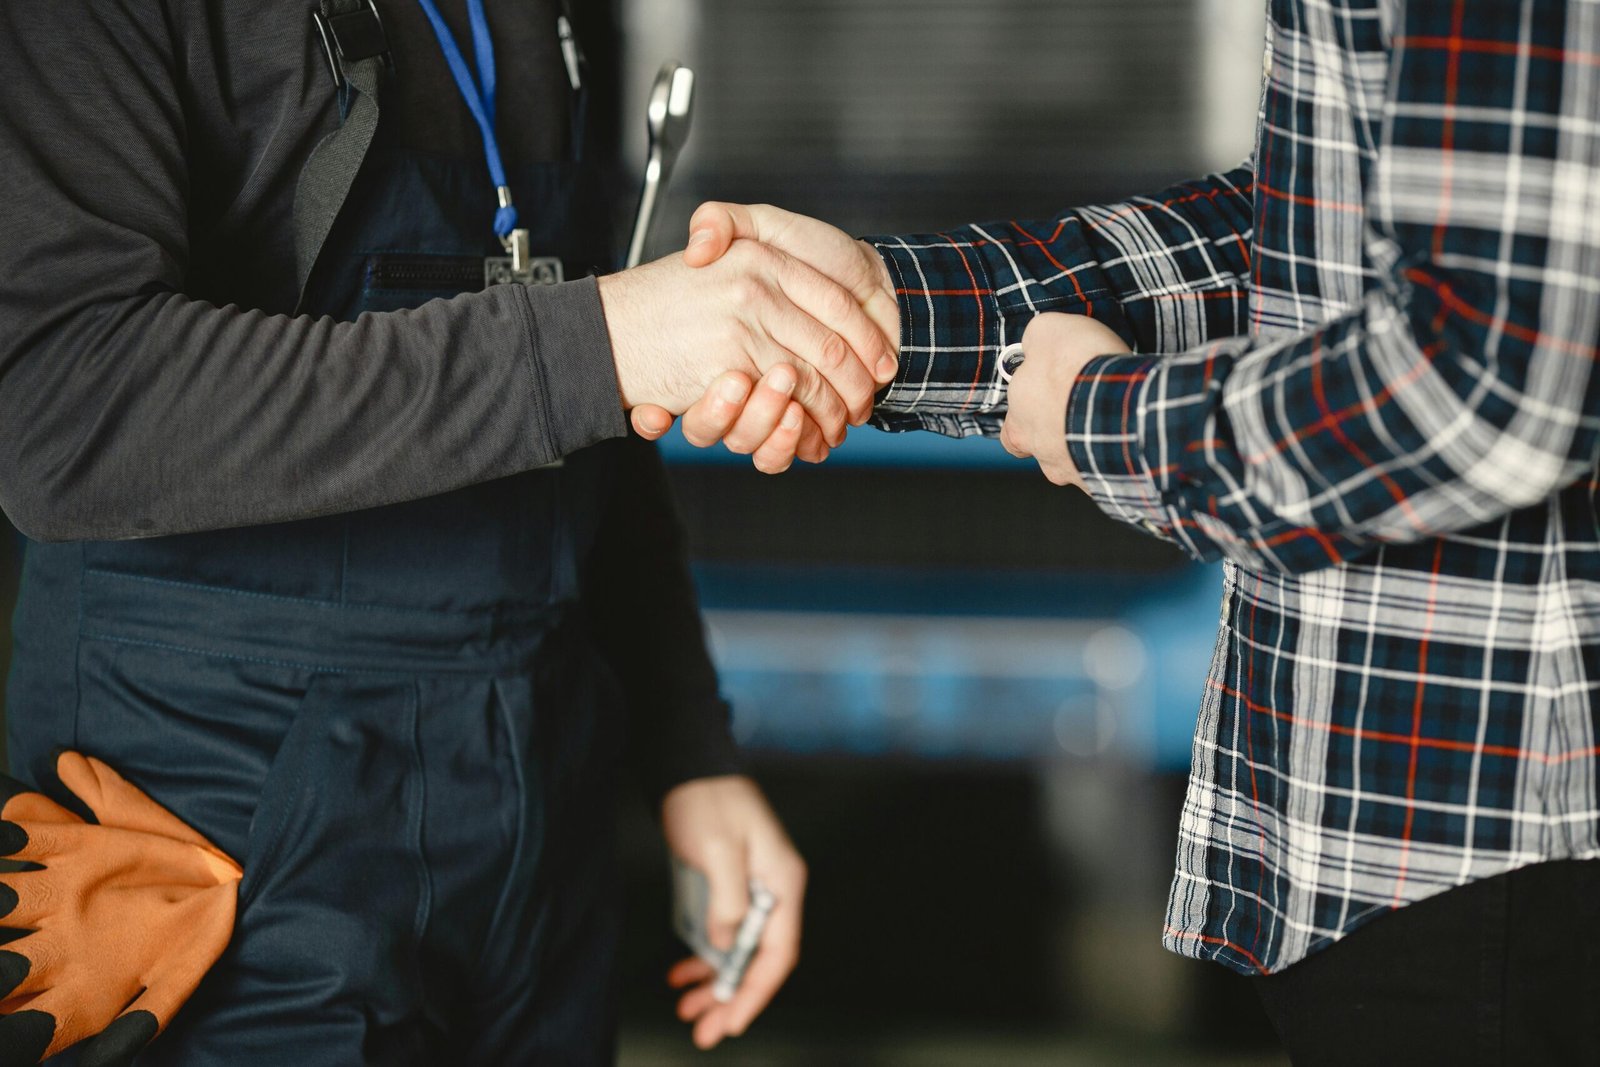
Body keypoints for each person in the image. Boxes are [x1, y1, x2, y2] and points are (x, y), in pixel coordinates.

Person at [641, 2, 1600, 1062]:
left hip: (1489, 833)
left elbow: (1487, 376)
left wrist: (1103, 415)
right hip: (1426, 843)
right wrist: (893, 309)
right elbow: (1329, 235)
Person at [0, 0, 895, 1063]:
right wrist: (600, 340)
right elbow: (69, 403)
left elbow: (590, 386)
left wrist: (688, 747)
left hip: (534, 800)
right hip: (215, 831)